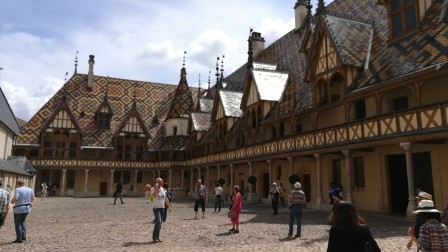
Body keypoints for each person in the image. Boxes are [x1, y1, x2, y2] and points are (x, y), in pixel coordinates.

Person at [151, 177, 172, 243]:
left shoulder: (163, 189)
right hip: (156, 208)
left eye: (162, 182)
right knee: (158, 221)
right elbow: (154, 196)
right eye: (161, 182)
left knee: (159, 223)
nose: (162, 183)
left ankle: (157, 237)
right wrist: (157, 188)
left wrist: (169, 207)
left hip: (162, 208)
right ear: (157, 183)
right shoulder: (152, 188)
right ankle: (154, 237)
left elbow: (166, 199)